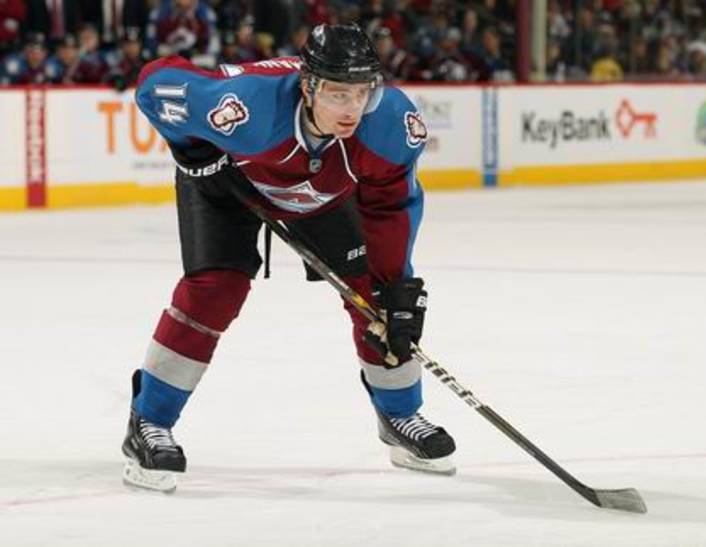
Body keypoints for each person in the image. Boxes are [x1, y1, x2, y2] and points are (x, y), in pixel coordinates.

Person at [123, 23, 456, 492]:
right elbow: (154, 85)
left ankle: (400, 415)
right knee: (215, 292)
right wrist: (192, 151)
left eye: (362, 92)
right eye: (338, 94)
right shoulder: (243, 108)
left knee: (376, 299)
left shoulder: (388, 123)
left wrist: (394, 285)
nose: (353, 108)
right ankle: (149, 421)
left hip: (321, 195)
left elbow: (391, 208)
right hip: (228, 183)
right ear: (308, 85)